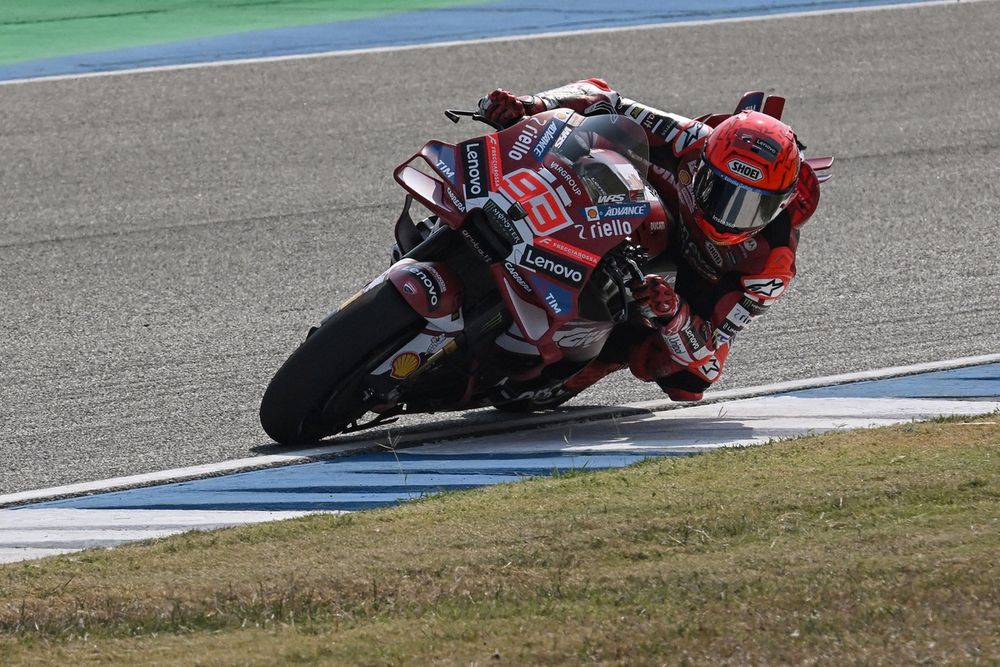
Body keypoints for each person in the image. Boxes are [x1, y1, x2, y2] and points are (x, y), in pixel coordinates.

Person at [478, 79, 824, 401]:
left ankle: (588, 360)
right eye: (720, 192)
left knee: (691, 380)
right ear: (705, 162)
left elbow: (709, 351)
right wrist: (533, 104)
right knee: (597, 159)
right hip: (635, 214)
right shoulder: (692, 138)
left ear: (781, 204)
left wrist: (673, 315)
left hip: (685, 286)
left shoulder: (772, 265)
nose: (728, 215)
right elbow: (605, 97)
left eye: (753, 207)